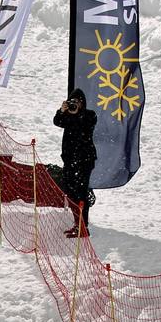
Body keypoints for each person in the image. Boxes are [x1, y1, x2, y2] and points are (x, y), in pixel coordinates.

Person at [54, 89, 98, 237]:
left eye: (78, 102)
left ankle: (83, 227)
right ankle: (77, 224)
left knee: (81, 194)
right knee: (70, 193)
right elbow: (57, 121)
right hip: (69, 161)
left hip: (84, 162)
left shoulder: (89, 115)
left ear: (83, 103)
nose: (75, 105)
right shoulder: (66, 116)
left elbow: (84, 124)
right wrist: (62, 110)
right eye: (73, 102)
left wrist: (75, 113)